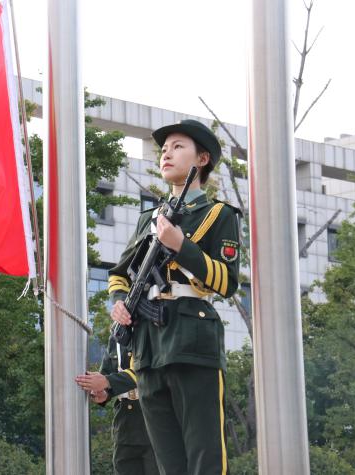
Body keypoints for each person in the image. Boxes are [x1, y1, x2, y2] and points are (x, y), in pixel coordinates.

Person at [108, 119, 241, 475]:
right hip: (148, 348)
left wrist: (182, 246)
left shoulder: (218, 215)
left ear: (202, 159)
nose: (166, 153)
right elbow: (120, 274)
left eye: (178, 146)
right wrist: (119, 303)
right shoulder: (150, 219)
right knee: (168, 464)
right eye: (164, 149)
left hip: (192, 341)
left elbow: (227, 281)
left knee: (205, 458)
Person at [76, 335, 159, 475]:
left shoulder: (152, 328)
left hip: (155, 421)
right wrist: (102, 393)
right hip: (125, 426)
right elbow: (107, 372)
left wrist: (107, 381)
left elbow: (146, 370)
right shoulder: (117, 334)